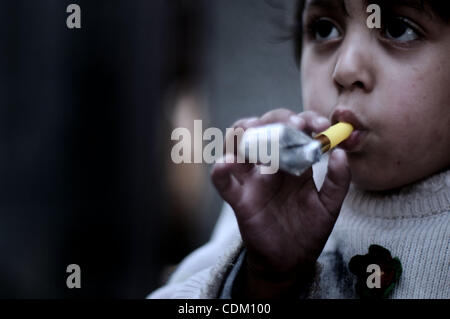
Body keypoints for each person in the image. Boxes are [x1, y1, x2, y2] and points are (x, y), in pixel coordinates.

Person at [149, 0, 450, 298]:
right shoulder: (274, 194)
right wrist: (263, 282)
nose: (344, 70)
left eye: (399, 30)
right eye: (324, 29)